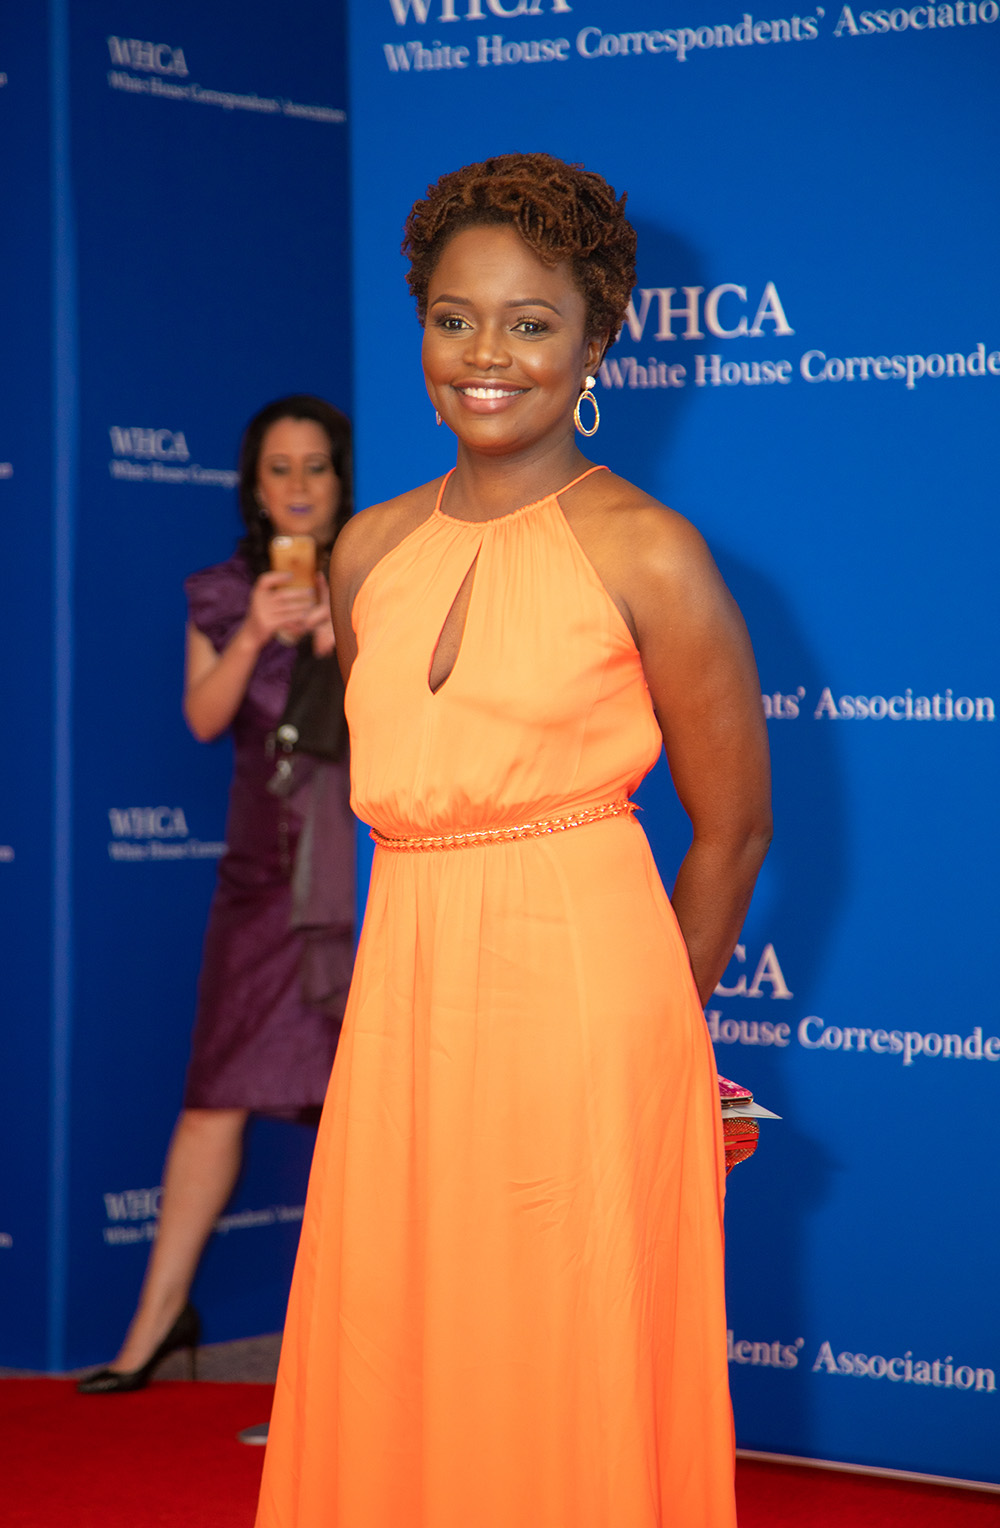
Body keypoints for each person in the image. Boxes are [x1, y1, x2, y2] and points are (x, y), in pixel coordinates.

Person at [256, 157, 772, 1528]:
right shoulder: (366, 552)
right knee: (403, 1330)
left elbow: (733, 830)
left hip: (587, 1002)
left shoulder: (651, 551)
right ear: (421, 325)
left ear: (596, 342)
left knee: (564, 1344)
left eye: (532, 323)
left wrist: (661, 1031)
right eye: (456, 317)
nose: (488, 356)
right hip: (410, 993)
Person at [78, 395, 355, 1395]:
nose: (295, 486)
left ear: (340, 478)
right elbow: (203, 720)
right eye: (277, 468)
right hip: (257, 877)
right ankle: (152, 1327)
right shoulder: (218, 588)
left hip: (357, 876)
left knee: (358, 1114)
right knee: (211, 1099)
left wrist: (337, 637)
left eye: (314, 466)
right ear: (252, 483)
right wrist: (252, 635)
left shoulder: (380, 579)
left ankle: (348, 1355)